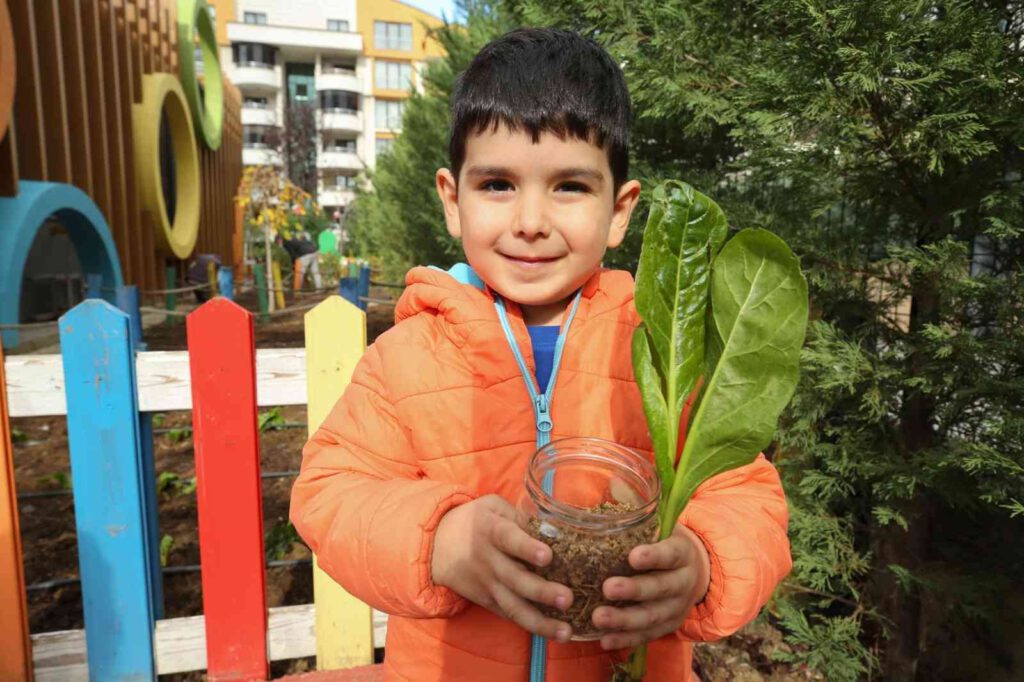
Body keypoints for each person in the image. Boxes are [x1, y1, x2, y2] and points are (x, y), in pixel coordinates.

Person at [290, 28, 791, 681]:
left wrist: (703, 563)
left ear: (619, 210)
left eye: (570, 187)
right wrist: (439, 541)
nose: (530, 220)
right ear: (452, 199)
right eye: (497, 184)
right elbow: (330, 495)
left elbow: (744, 495)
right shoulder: (409, 354)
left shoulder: (660, 349)